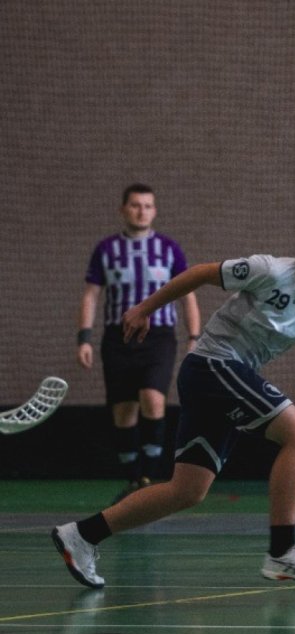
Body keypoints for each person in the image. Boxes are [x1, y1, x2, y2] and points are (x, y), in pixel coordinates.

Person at [53, 209, 295, 589]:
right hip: (212, 364)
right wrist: (144, 308)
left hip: (223, 377)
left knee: (187, 490)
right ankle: (282, 552)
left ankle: (82, 535)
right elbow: (201, 273)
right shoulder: (270, 270)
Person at [78, 183, 201, 502]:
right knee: (124, 412)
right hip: (118, 338)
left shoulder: (169, 248)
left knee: (153, 399)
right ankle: (133, 480)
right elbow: (91, 295)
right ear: (123, 209)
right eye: (135, 205)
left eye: (147, 206)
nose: (141, 211)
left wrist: (194, 336)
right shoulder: (106, 250)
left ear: (154, 211)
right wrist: (84, 338)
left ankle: (150, 477)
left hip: (158, 338)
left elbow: (187, 296)